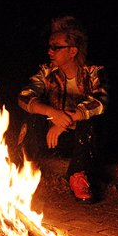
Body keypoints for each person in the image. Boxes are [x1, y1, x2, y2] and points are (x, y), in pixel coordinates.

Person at [17, 15, 110, 202]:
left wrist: (64, 121)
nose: (50, 51)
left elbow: (100, 101)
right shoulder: (46, 72)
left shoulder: (93, 72)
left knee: (88, 120)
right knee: (34, 116)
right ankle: (27, 169)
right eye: (50, 46)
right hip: (54, 138)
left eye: (56, 47)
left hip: (85, 140)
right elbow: (24, 96)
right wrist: (52, 113)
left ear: (73, 51)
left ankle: (78, 176)